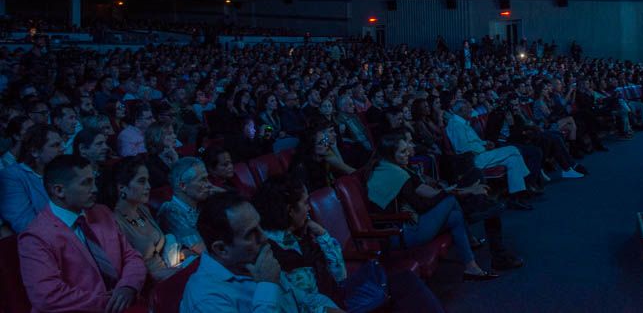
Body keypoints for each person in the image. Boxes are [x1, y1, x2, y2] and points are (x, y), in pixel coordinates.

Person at [254, 174, 445, 313]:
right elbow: (304, 303)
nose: (308, 208)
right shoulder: (273, 255)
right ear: (289, 210)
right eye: (304, 203)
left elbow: (339, 275)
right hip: (332, 306)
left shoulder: (300, 235)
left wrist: (322, 235)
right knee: (405, 290)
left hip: (337, 295)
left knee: (405, 281)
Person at [18, 154, 147, 312]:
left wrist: (128, 285)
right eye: (86, 183)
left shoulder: (102, 212)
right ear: (59, 190)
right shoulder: (35, 237)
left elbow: (131, 255)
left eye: (93, 180)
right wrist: (109, 302)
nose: (95, 189)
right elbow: (48, 297)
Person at [366, 133, 498, 281]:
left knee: (455, 217)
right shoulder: (396, 174)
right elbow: (422, 206)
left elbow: (426, 195)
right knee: (450, 200)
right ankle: (477, 215)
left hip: (404, 226)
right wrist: (453, 194)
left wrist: (454, 192)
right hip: (401, 233)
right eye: (403, 151)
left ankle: (471, 267)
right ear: (390, 155)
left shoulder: (386, 167)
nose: (408, 153)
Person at [179, 192, 298, 313]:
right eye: (251, 233)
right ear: (222, 249)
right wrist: (267, 285)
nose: (264, 237)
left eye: (260, 225)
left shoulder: (251, 260)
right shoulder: (205, 299)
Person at [104, 156, 186, 281]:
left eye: (148, 181)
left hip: (168, 272)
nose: (148, 186)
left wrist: (182, 254)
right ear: (122, 188)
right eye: (142, 181)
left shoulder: (142, 209)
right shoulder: (115, 222)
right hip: (149, 285)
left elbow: (159, 251)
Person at [446, 99, 533, 210]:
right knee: (513, 149)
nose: (471, 110)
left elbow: (473, 142)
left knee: (513, 160)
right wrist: (483, 148)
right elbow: (462, 149)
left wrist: (485, 143)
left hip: (482, 153)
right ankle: (528, 181)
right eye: (469, 108)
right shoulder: (456, 125)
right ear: (462, 110)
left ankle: (515, 197)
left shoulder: (462, 123)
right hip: (475, 159)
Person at [0, 124, 63, 232]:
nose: (62, 149)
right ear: (35, 152)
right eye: (55, 145)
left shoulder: (62, 172)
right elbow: (25, 224)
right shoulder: (12, 177)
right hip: (47, 241)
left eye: (61, 145)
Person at [158, 157, 214, 254]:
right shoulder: (170, 211)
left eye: (207, 179)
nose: (209, 185)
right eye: (203, 180)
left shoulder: (202, 203)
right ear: (183, 186)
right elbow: (200, 249)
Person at [144, 121, 180, 189]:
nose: (175, 136)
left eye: (173, 133)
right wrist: (175, 161)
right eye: (169, 134)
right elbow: (170, 183)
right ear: (156, 137)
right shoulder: (150, 163)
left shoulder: (178, 154)